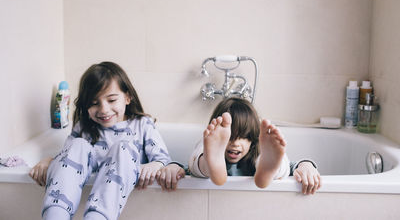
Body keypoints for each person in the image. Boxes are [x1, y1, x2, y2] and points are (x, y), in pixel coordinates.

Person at [30, 62, 184, 220]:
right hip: (63, 206)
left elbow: (164, 160)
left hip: (109, 203)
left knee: (123, 148)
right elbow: (68, 162)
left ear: (127, 97)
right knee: (77, 145)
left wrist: (156, 164)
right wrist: (49, 161)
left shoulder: (142, 124)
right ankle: (56, 215)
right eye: (94, 103)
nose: (103, 109)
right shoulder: (84, 128)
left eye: (111, 100)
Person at [188, 97, 321, 194]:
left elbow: (294, 166)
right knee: (200, 161)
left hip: (257, 163)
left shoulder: (255, 149)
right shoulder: (210, 145)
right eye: (230, 137)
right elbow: (185, 170)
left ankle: (267, 170)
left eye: (244, 136)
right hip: (209, 162)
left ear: (253, 139)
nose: (235, 143)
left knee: (269, 160)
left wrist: (306, 165)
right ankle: (210, 165)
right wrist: (174, 168)